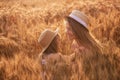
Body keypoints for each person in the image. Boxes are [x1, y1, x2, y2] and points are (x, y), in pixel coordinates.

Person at [64, 10, 116, 80]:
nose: (66, 32)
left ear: (78, 30)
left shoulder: (88, 50)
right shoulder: (75, 43)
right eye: (66, 28)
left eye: (69, 29)